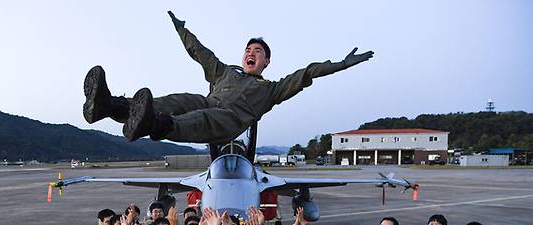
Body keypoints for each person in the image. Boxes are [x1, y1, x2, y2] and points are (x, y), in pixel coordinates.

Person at [83, 11, 373, 144]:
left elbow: (307, 73)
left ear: (266, 61)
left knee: (205, 118)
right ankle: (109, 106)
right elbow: (200, 52)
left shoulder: (272, 89)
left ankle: (155, 124)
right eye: (248, 49)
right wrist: (181, 29)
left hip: (230, 119)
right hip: (208, 100)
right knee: (179, 100)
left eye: (257, 51)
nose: (251, 52)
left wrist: (341, 64)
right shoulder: (225, 72)